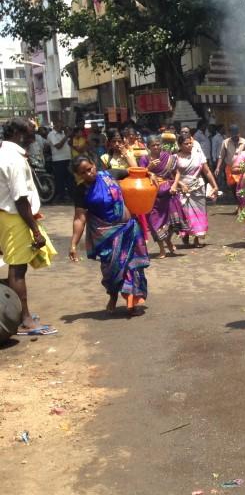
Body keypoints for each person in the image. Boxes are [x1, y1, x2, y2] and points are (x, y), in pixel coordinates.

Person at [68, 156, 150, 314]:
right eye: (83, 172)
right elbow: (80, 218)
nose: (89, 173)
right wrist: (73, 244)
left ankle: (131, 303)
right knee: (110, 269)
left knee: (131, 266)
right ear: (78, 175)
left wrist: (149, 174)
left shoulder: (110, 175)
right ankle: (112, 296)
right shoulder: (81, 190)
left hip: (128, 229)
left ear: (94, 164)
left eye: (90, 168)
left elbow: (134, 172)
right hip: (105, 235)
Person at [0, 118, 57, 335]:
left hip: (8, 217)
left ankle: (19, 313)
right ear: (20, 134)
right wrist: (34, 229)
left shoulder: (7, 153)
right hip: (15, 218)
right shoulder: (12, 158)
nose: (34, 135)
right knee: (18, 268)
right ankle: (24, 319)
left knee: (17, 266)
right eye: (31, 132)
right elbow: (20, 198)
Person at [138, 135, 183, 258]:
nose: (156, 147)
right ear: (148, 147)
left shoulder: (168, 157)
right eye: (153, 145)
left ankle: (168, 241)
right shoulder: (144, 159)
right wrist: (149, 168)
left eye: (158, 144)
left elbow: (177, 172)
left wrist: (175, 185)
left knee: (170, 221)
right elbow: (140, 176)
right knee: (154, 222)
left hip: (168, 193)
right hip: (152, 196)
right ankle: (161, 249)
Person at [176, 135, 219, 248]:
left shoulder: (198, 155)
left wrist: (215, 185)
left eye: (191, 143)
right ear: (180, 145)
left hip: (198, 187)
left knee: (198, 212)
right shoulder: (175, 158)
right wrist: (180, 184)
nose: (189, 145)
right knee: (185, 213)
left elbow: (207, 171)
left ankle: (196, 238)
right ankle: (185, 234)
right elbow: (172, 175)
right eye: (186, 143)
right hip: (182, 189)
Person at [215, 125, 245, 203]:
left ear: (239, 134)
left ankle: (243, 205)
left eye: (236, 134)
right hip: (230, 168)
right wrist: (218, 167)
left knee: (241, 186)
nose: (234, 137)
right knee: (233, 187)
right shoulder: (225, 142)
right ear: (230, 134)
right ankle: (239, 204)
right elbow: (221, 156)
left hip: (241, 168)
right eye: (232, 135)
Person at [47, 119, 72, 202]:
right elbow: (58, 146)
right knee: (60, 178)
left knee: (69, 178)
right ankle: (61, 196)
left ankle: (68, 194)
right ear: (56, 125)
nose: (62, 125)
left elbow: (69, 143)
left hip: (67, 158)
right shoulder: (51, 134)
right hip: (58, 160)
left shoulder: (63, 133)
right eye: (61, 123)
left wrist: (68, 134)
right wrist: (66, 136)